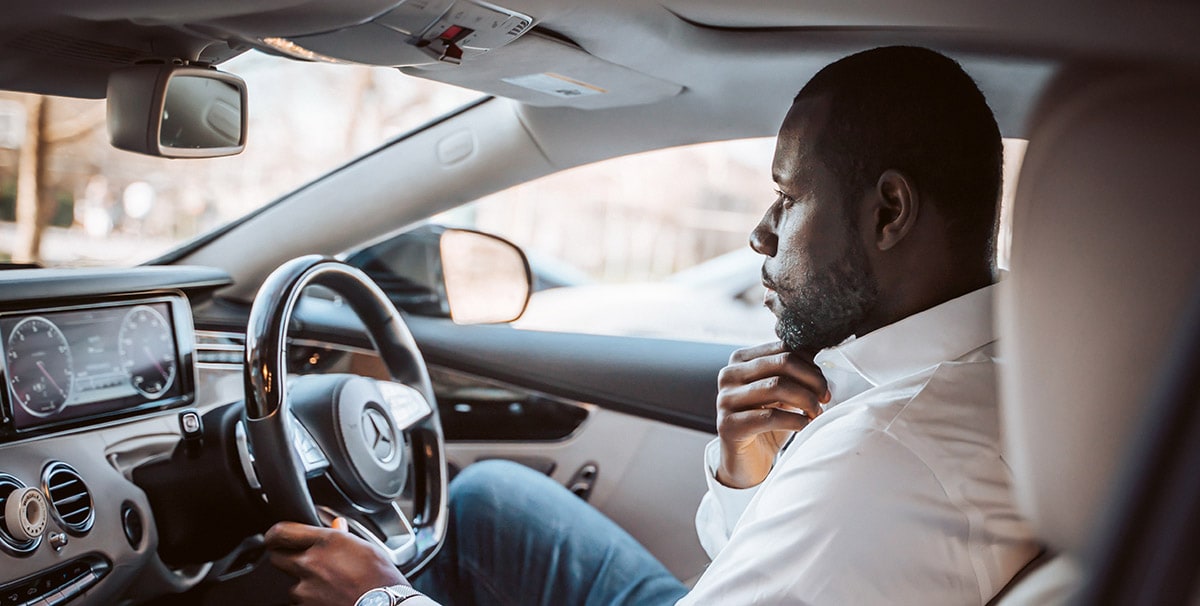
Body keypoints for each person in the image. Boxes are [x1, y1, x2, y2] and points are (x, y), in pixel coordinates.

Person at [264, 45, 1038, 605]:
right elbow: (768, 566)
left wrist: (379, 599)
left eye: (790, 197)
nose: (761, 236)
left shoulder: (887, 455)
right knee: (489, 502)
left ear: (889, 213)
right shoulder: (991, 370)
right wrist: (748, 472)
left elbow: (830, 529)